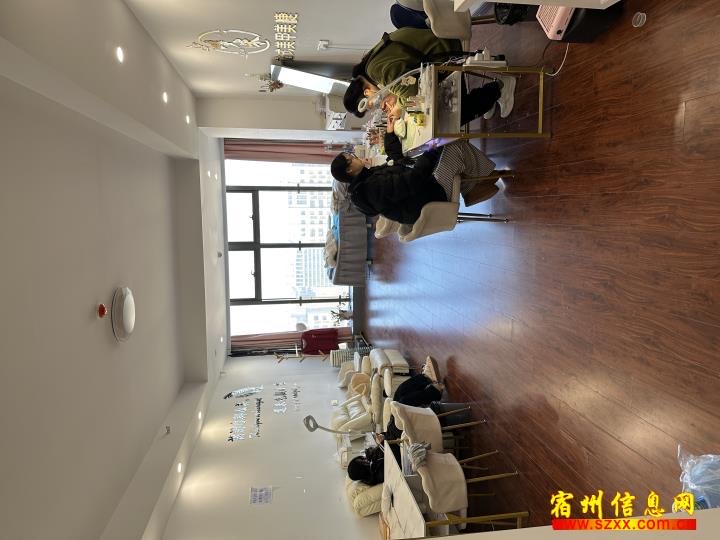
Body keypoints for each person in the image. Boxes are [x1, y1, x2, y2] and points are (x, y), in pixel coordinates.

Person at [331, 121, 500, 219]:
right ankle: (476, 186)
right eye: (351, 158)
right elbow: (414, 180)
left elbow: (394, 162)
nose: (355, 156)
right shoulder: (371, 189)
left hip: (423, 189)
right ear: (349, 169)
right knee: (453, 146)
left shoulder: (366, 180)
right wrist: (432, 148)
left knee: (437, 144)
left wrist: (389, 133)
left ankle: (474, 184)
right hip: (431, 196)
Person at [343, 27, 515, 123]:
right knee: (440, 106)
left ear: (366, 93)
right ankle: (487, 98)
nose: (375, 106)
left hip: (443, 51)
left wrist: (399, 106)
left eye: (369, 105)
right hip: (434, 45)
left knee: (453, 116)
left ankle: (499, 87)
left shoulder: (377, 72)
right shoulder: (370, 65)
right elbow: (406, 79)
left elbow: (413, 93)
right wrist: (396, 96)